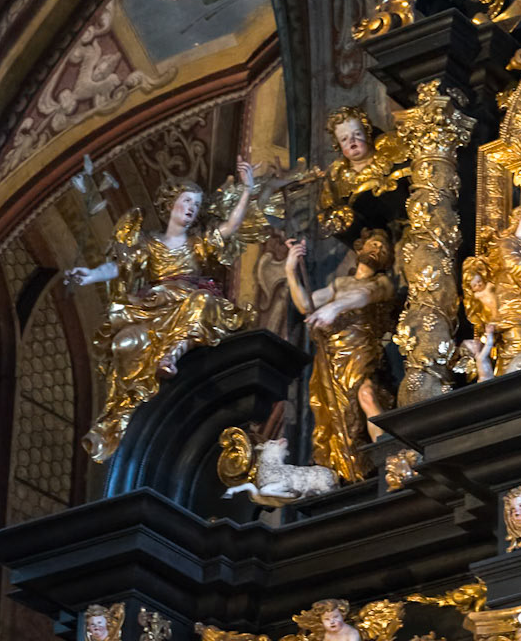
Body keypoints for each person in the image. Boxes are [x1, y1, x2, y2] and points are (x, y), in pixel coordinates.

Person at [67, 164, 258, 460]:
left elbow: (231, 226)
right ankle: (120, 416)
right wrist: (90, 275)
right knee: (124, 343)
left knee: (202, 303)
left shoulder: (197, 243)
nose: (191, 208)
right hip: (154, 308)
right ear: (171, 205)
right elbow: (119, 267)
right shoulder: (149, 243)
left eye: (196, 204)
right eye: (186, 201)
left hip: (187, 302)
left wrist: (247, 189)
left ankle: (172, 356)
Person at [284, 231, 399, 483]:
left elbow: (364, 295)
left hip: (361, 352)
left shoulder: (383, 283)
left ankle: (390, 463)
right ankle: (345, 472)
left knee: (367, 396)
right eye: (373, 244)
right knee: (335, 422)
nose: (377, 249)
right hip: (331, 357)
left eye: (383, 249)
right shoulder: (339, 284)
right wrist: (290, 270)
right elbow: (305, 304)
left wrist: (334, 307)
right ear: (360, 248)